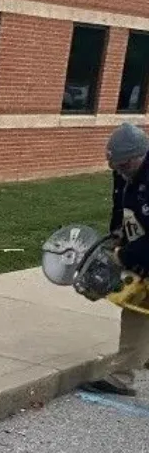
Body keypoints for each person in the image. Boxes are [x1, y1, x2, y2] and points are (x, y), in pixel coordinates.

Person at [81, 122, 149, 396]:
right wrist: (117, 235)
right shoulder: (124, 171)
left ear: (138, 157)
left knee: (137, 310)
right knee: (139, 308)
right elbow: (120, 205)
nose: (120, 172)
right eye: (116, 167)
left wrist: (125, 255)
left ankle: (121, 377)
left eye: (124, 166)